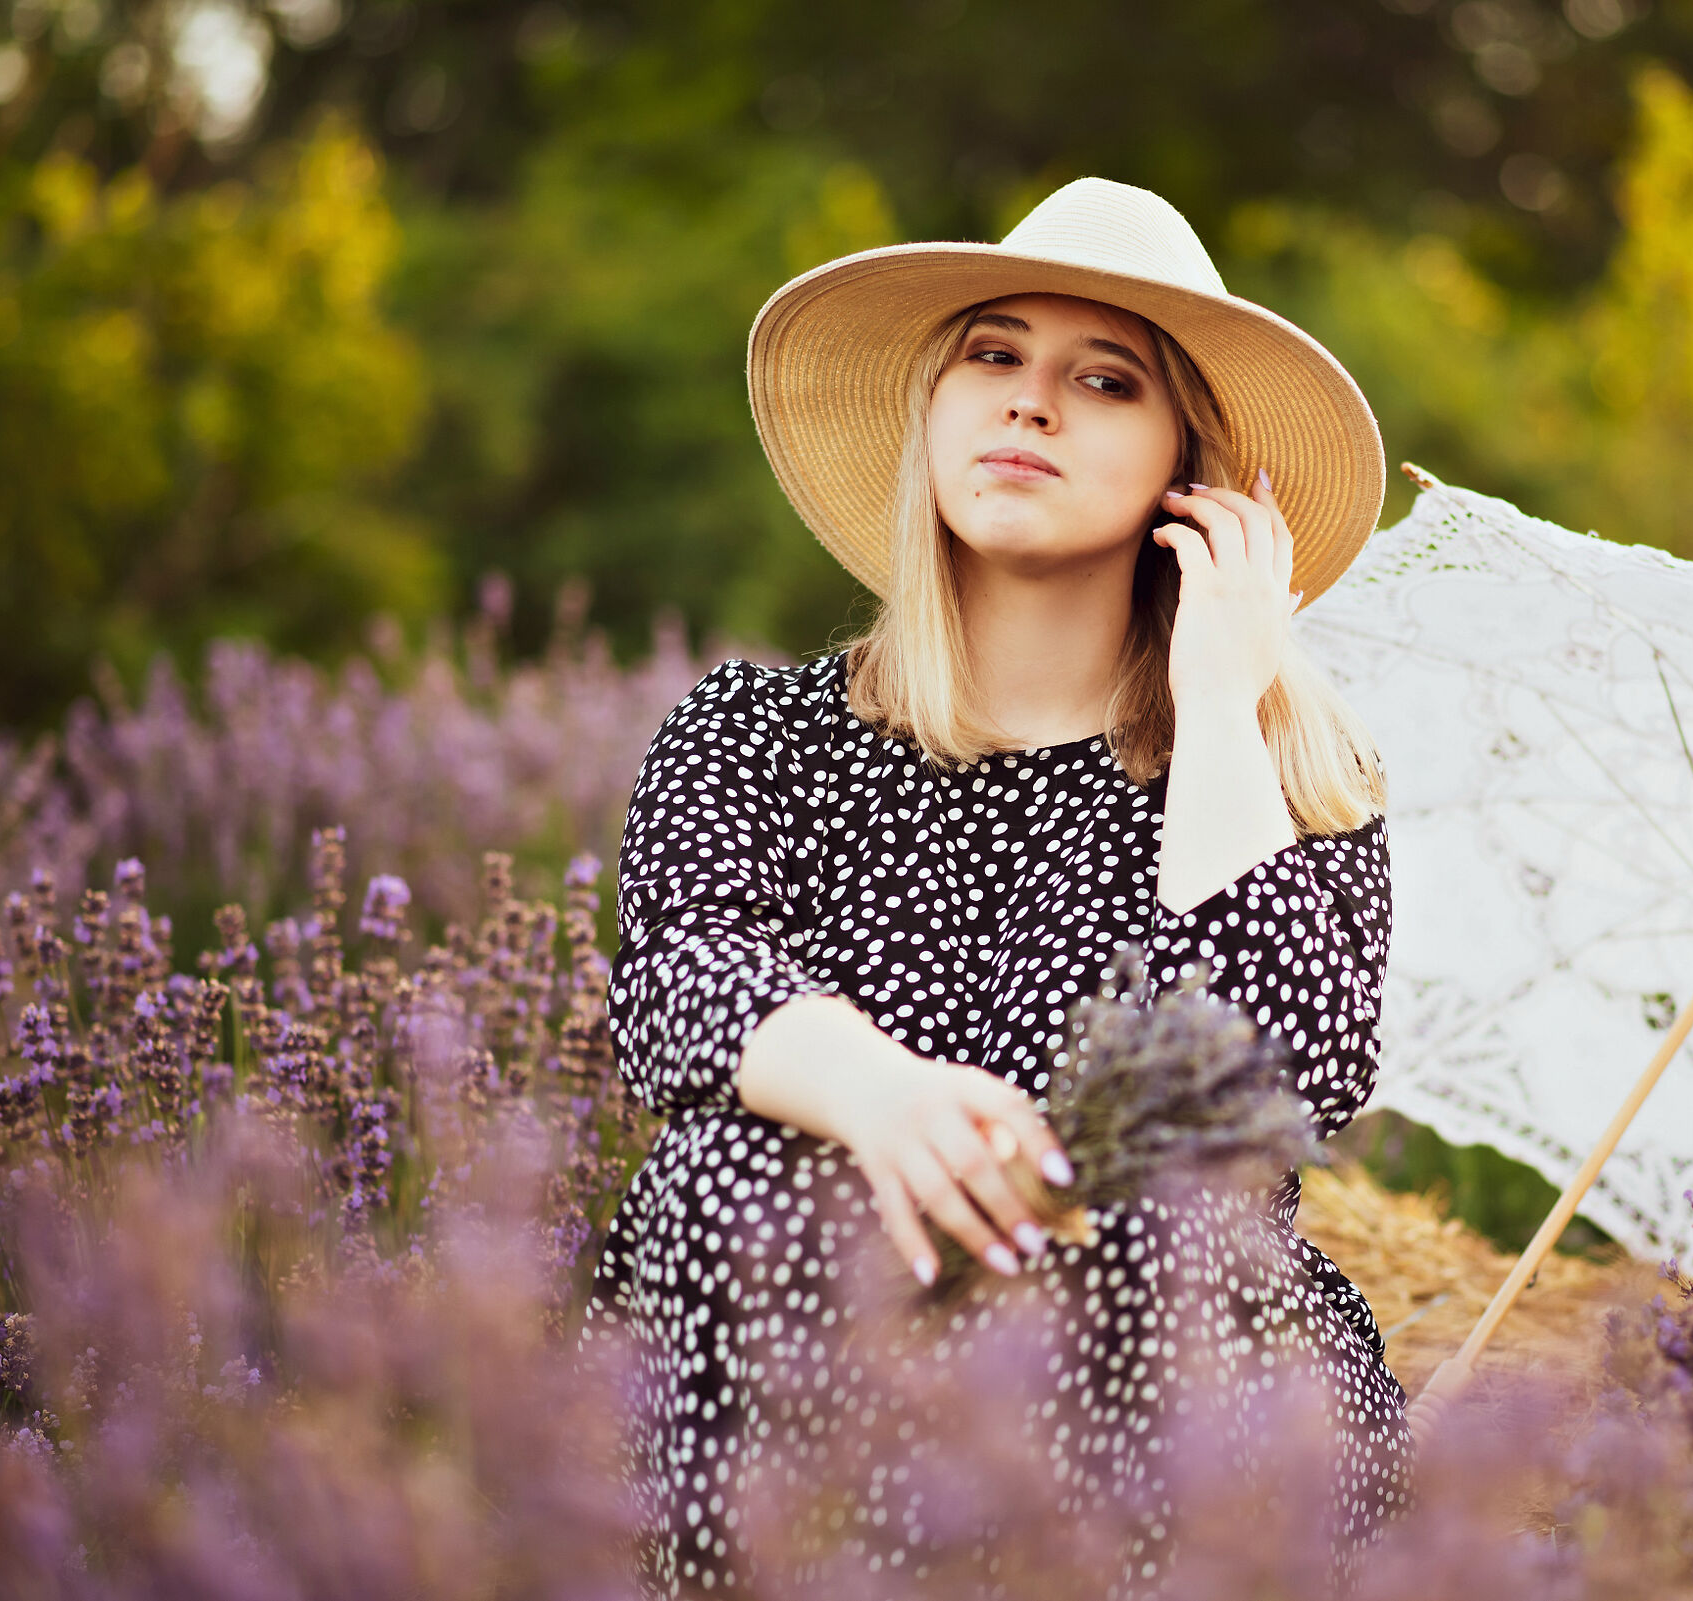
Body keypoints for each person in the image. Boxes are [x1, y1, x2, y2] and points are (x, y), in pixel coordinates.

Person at [577, 177, 1410, 1597]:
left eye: (1104, 379)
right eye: (993, 355)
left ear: (1185, 471)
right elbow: (677, 984)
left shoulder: (1282, 778)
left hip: (1148, 1390)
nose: (1031, 404)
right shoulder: (756, 732)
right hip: (810, 1350)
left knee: (1159, 1226)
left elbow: (1279, 1094)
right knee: (725, 1175)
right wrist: (885, 1099)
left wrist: (1220, 703)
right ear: (938, 406)